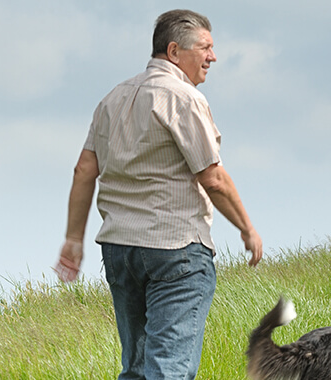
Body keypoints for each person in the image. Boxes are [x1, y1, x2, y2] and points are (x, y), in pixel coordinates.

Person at [54, 9, 263, 380]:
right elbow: (213, 178)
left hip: (119, 250)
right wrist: (247, 229)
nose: (213, 57)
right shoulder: (183, 98)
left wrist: (73, 239)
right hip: (176, 248)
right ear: (174, 51)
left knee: (135, 369)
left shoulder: (112, 99)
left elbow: (84, 169)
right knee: (170, 369)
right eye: (206, 48)